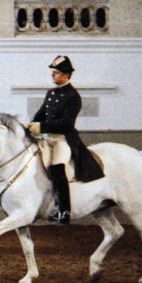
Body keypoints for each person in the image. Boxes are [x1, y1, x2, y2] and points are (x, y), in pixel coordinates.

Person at [28, 56, 104, 224]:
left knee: (56, 169)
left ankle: (64, 211)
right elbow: (41, 114)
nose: (53, 75)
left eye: (56, 73)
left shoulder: (73, 96)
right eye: (52, 73)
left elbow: (66, 123)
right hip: (46, 138)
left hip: (63, 139)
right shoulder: (50, 93)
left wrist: (42, 127)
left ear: (66, 75)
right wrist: (32, 124)